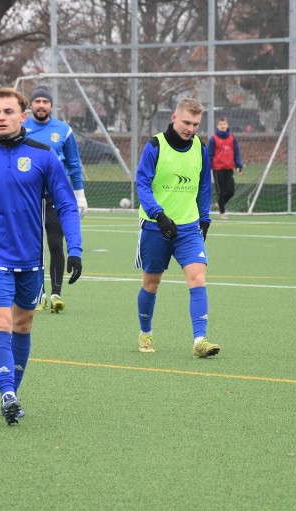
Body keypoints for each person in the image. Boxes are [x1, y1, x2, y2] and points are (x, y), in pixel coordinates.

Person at [0, 87, 83, 426]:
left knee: (24, 325)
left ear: (22, 116)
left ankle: (11, 392)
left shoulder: (43, 156)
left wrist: (76, 247)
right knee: (2, 322)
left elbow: (67, 204)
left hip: (31, 260)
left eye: (8, 112)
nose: (1, 118)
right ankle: (7, 393)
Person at [134, 97, 220, 358]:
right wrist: (159, 215)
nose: (190, 128)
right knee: (151, 283)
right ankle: (146, 332)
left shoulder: (200, 148)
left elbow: (204, 185)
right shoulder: (155, 146)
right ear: (174, 117)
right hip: (155, 227)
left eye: (195, 124)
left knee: (198, 279)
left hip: (188, 227)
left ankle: (200, 340)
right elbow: (142, 184)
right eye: (186, 122)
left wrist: (204, 218)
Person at [22, 85, 87, 314]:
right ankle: (36, 294)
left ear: (51, 106)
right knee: (33, 247)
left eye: (45, 102)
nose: (41, 105)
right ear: (30, 105)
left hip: (55, 198)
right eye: (37, 101)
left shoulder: (63, 130)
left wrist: (79, 196)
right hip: (28, 199)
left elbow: (74, 165)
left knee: (55, 244)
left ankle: (56, 293)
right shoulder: (21, 128)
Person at [206, 116, 242, 220]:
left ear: (227, 125)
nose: (223, 126)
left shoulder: (232, 138)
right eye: (220, 124)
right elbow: (209, 154)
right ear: (217, 126)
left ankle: (219, 203)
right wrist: (207, 168)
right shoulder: (213, 139)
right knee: (220, 191)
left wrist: (238, 165)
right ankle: (222, 212)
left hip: (229, 168)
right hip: (218, 169)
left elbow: (236, 152)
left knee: (230, 191)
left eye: (224, 124)